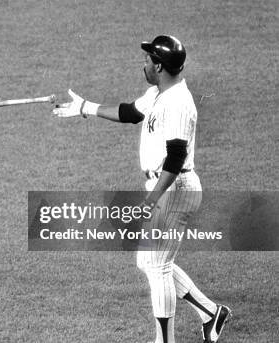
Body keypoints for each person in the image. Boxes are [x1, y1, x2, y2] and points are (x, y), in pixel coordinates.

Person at [52, 35, 231, 343]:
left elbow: (175, 159)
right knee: (149, 262)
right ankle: (211, 312)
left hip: (173, 188)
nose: (143, 63)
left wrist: (152, 199)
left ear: (159, 66)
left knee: (157, 265)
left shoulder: (178, 103)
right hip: (166, 187)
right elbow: (130, 113)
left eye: (148, 59)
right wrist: (86, 107)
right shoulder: (159, 92)